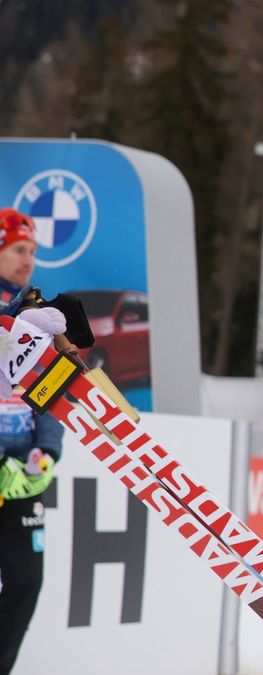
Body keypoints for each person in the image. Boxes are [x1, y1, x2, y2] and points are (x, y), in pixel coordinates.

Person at [0, 208, 66, 675]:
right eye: (18, 250)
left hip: (24, 474)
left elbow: (56, 392)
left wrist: (47, 451)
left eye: (33, 252)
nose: (28, 260)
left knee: (27, 581)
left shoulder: (35, 315)